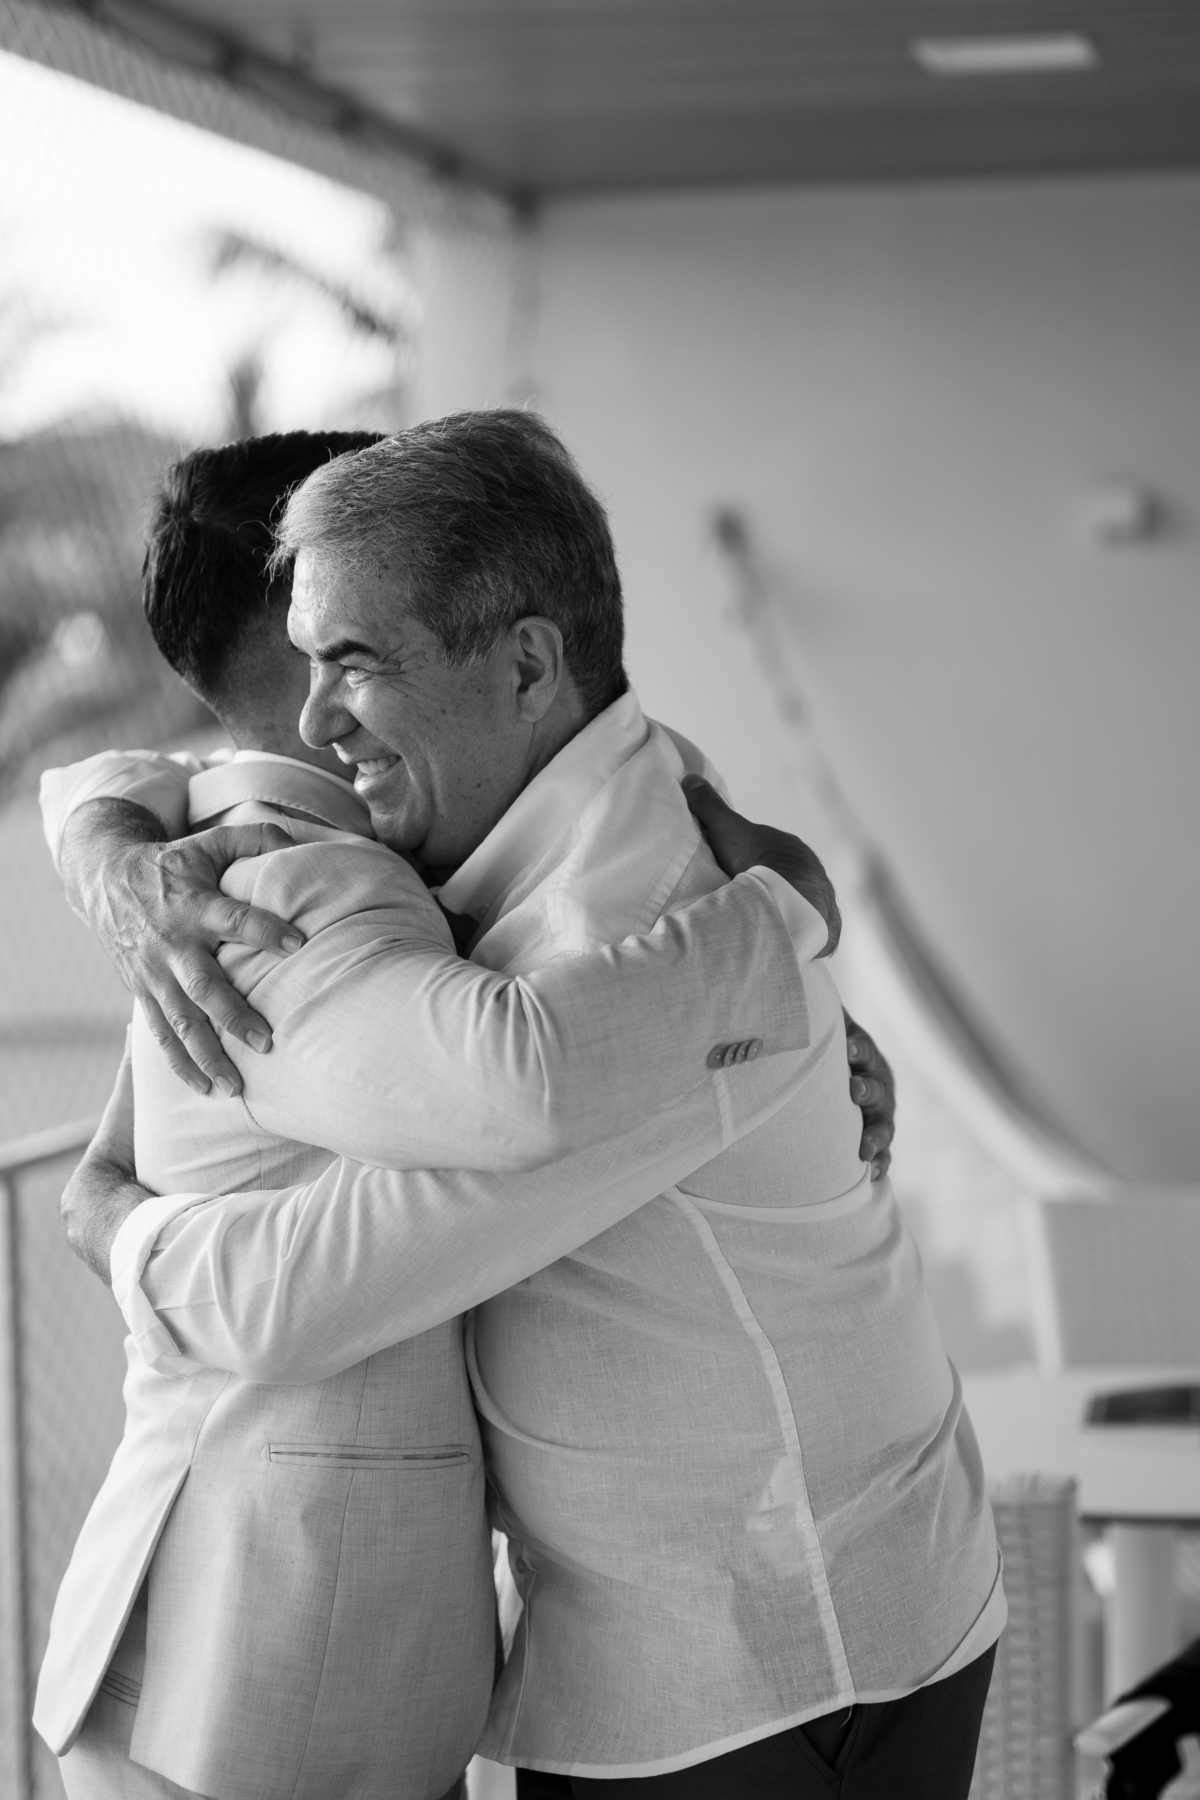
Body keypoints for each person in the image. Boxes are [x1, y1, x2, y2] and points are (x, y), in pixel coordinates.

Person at [53, 413, 994, 1799]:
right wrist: (101, 844)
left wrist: (113, 1228)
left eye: (356, 659)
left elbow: (320, 1275)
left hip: (745, 1662)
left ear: (526, 659)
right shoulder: (545, 806)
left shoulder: (620, 939)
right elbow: (133, 777)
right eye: (309, 663)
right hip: (329, 1654)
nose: (321, 716)